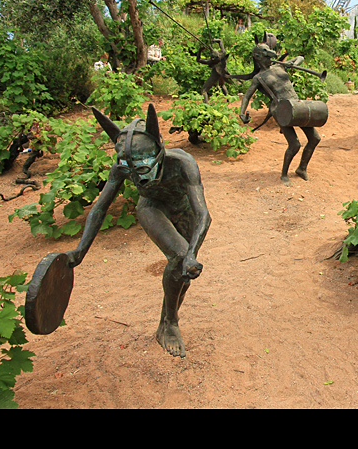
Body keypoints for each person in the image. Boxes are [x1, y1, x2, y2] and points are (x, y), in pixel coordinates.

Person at [65, 104, 211, 357]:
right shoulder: (122, 167)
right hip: (152, 207)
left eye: (143, 169)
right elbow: (99, 209)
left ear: (160, 150)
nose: (139, 179)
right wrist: (80, 251)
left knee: (183, 274)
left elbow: (203, 214)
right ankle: (171, 324)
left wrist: (193, 255)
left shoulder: (182, 163)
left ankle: (166, 321)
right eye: (131, 172)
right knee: (178, 256)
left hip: (184, 208)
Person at [239, 43, 320, 186]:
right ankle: (284, 174)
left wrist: (291, 63)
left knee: (314, 138)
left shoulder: (279, 66)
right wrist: (241, 112)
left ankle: (302, 168)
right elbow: (246, 96)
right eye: (265, 52)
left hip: (296, 104)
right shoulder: (259, 78)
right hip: (281, 109)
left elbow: (300, 57)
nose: (270, 54)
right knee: (294, 144)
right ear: (258, 57)